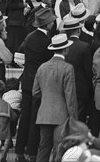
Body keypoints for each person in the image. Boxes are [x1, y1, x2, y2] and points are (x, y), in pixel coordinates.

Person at [15, 7, 55, 162]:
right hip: (40, 82)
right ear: (48, 24)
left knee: (25, 116)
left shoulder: (29, 36)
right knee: (35, 117)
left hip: (27, 80)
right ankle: (32, 151)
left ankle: (19, 149)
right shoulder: (47, 41)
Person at [32, 34, 78, 162]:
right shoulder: (68, 68)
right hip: (62, 116)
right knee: (60, 149)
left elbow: (35, 92)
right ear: (65, 49)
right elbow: (70, 97)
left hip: (44, 114)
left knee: (44, 148)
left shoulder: (42, 67)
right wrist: (74, 118)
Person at [61, 15, 93, 125]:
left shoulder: (61, 47)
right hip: (81, 89)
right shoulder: (84, 46)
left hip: (64, 88)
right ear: (78, 30)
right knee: (79, 121)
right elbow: (88, 72)